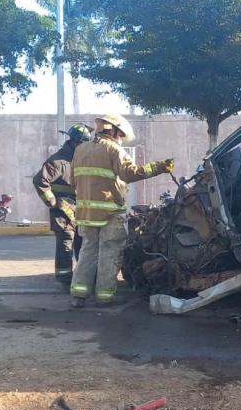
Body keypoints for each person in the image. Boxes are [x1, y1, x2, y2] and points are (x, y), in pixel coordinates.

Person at [69, 114, 174, 307]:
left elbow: (72, 181)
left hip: (85, 213)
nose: (121, 138)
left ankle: (79, 295)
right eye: (120, 134)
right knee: (109, 254)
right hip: (110, 213)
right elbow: (130, 173)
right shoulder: (114, 149)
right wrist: (159, 167)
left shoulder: (80, 150)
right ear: (114, 130)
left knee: (87, 252)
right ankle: (104, 297)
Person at [32, 123, 92, 284]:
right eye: (84, 143)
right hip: (63, 212)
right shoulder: (58, 161)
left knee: (82, 241)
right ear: (75, 142)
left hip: (80, 210)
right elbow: (39, 180)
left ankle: (82, 276)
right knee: (67, 241)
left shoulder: (80, 159)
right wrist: (52, 202)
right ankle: (65, 278)